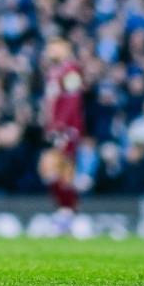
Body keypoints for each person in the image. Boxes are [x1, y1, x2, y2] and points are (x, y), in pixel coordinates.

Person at [39, 39, 85, 233]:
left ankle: (67, 213)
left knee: (62, 170)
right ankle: (64, 211)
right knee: (52, 169)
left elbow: (73, 99)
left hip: (66, 129)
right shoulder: (54, 72)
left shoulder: (71, 71)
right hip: (56, 129)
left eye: (53, 47)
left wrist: (62, 125)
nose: (49, 51)